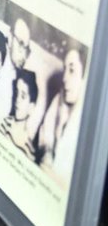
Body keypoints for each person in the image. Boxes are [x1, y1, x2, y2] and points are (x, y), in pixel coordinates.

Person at [35, 47, 85, 182]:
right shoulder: (60, 99)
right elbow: (44, 136)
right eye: (65, 70)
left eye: (72, 70)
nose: (64, 78)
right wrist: (46, 151)